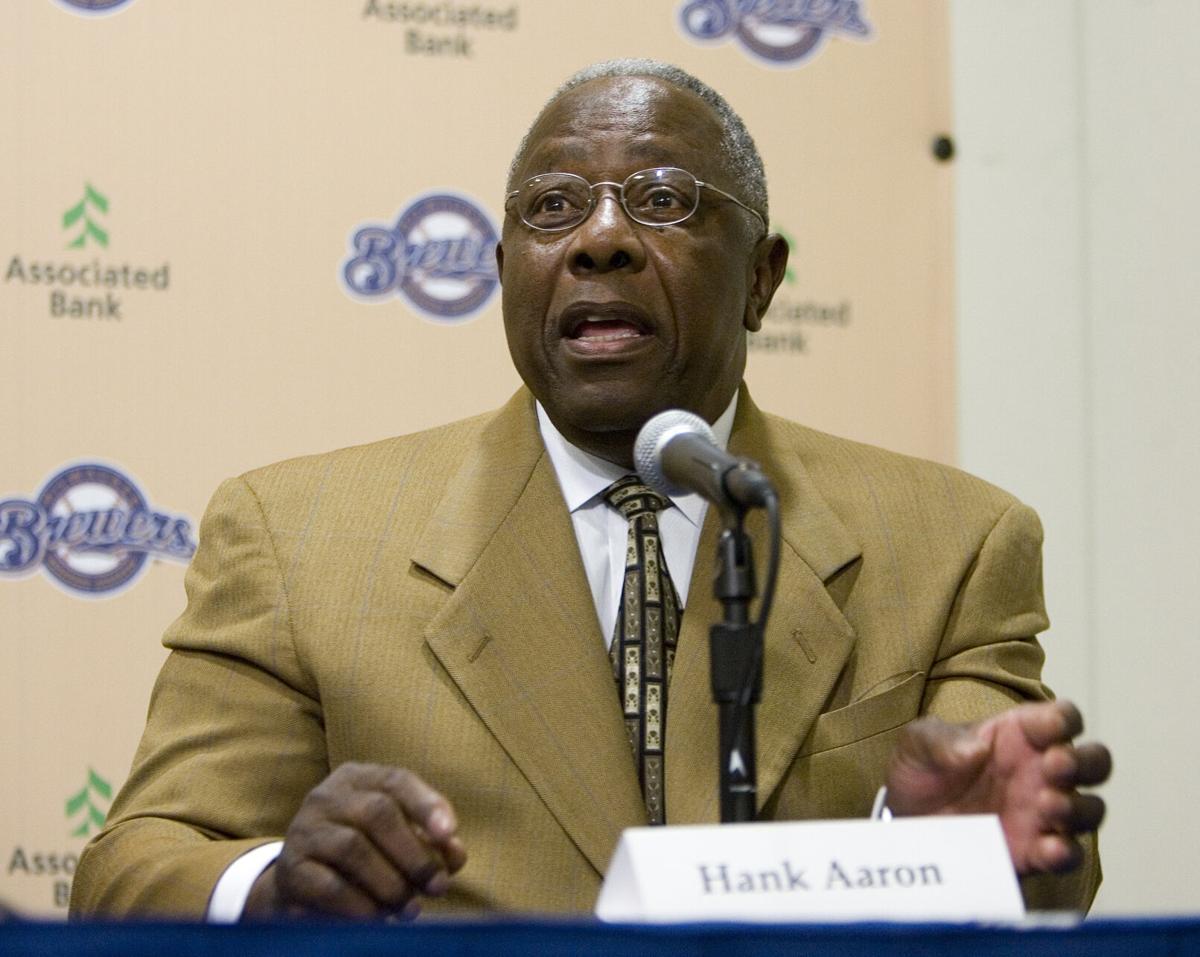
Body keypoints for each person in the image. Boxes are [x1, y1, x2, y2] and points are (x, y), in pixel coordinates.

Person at [70, 59, 1110, 921]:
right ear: (506, 268)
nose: (598, 238)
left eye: (662, 201)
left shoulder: (956, 543)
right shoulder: (297, 538)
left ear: (763, 277)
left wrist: (935, 857)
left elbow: (1043, 859)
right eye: (552, 208)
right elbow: (133, 870)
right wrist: (277, 887)